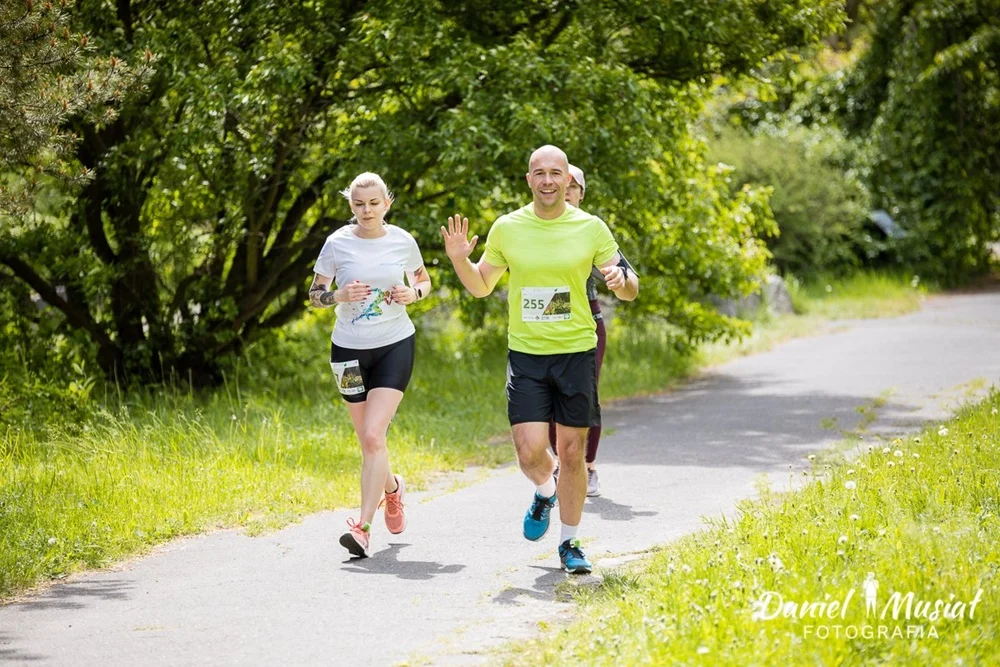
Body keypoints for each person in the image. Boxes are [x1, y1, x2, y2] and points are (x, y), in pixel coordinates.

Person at [441, 145, 638, 574]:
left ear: (569, 180)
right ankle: (546, 491)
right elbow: (481, 286)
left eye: (555, 173)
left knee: (572, 451)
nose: (548, 180)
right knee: (530, 453)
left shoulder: (590, 227)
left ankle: (570, 542)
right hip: (527, 354)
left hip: (575, 351)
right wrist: (459, 260)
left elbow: (630, 286)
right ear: (529, 179)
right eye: (540, 173)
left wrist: (621, 280)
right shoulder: (507, 227)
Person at [310, 172, 431, 558]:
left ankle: (362, 529)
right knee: (369, 440)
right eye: (359, 204)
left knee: (375, 435)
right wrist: (339, 295)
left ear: (386, 204)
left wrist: (413, 294)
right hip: (347, 351)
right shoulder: (337, 243)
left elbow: (424, 280)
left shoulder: (402, 240)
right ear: (351, 206)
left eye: (374, 203)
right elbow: (315, 294)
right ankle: (392, 488)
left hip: (395, 344)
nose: (367, 210)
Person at [549, 164, 636, 498]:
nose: (566, 192)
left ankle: (587, 466)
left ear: (581, 194)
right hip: (549, 315)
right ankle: (561, 464)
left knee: (585, 396)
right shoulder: (535, 226)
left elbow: (625, 275)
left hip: (587, 313)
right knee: (548, 395)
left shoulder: (590, 229)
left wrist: (618, 277)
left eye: (573, 187)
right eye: (563, 185)